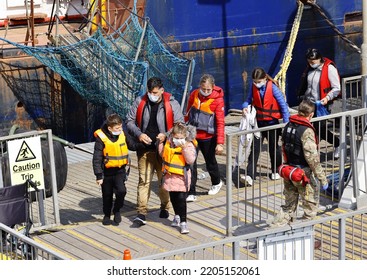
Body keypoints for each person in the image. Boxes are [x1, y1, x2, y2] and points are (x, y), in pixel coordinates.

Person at [126, 77, 184, 226]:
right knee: (143, 181)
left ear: (162, 91)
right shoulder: (140, 101)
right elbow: (129, 121)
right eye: (150, 92)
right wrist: (139, 134)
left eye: (155, 92)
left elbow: (180, 124)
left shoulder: (172, 103)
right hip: (144, 149)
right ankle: (141, 213)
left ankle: (165, 206)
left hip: (163, 150)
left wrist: (166, 134)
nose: (152, 95)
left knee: (162, 181)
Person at [270, 99, 328, 227]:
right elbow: (312, 158)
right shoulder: (306, 131)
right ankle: (307, 238)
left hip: (288, 171)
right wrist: (322, 178)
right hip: (303, 174)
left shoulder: (288, 126)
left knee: (288, 207)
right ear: (311, 114)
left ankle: (274, 231)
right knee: (310, 208)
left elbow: (283, 148)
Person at [241, 67, 290, 186]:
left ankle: (276, 169)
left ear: (264, 79)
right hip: (259, 123)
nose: (256, 84)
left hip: (272, 123)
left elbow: (283, 106)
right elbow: (248, 100)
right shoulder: (253, 88)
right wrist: (244, 106)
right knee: (255, 148)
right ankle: (250, 175)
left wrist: (286, 124)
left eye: (258, 82)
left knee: (274, 148)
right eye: (254, 82)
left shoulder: (272, 88)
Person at [185, 74, 225, 201]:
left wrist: (220, 143)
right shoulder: (194, 94)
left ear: (213, 87)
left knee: (210, 162)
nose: (206, 92)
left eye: (208, 90)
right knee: (191, 162)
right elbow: (188, 111)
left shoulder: (218, 101)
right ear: (200, 87)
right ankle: (191, 191)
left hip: (209, 137)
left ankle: (216, 182)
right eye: (204, 89)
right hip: (193, 135)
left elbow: (220, 123)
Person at [297, 48, 341, 158]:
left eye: (313, 62)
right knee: (306, 127)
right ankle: (310, 151)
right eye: (309, 61)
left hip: (321, 104)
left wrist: (327, 98)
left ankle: (337, 143)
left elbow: (336, 88)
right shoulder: (310, 68)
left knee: (320, 129)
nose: (311, 64)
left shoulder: (329, 69)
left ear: (319, 59)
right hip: (309, 103)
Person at [158, 123, 197, 234]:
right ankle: (177, 216)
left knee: (181, 199)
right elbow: (162, 154)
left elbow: (190, 160)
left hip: (182, 177)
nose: (178, 140)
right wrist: (161, 143)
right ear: (172, 136)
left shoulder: (188, 145)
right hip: (170, 176)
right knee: (174, 198)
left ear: (185, 137)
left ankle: (184, 222)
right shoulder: (169, 144)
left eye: (181, 138)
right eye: (176, 138)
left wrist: (184, 148)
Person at [92, 113, 128, 226]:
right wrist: (99, 175)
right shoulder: (101, 138)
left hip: (119, 170)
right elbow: (97, 158)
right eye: (117, 128)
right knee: (107, 195)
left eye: (120, 127)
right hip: (106, 172)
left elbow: (131, 144)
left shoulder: (122, 134)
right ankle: (107, 215)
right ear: (110, 128)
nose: (120, 130)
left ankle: (117, 209)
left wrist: (142, 144)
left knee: (121, 191)